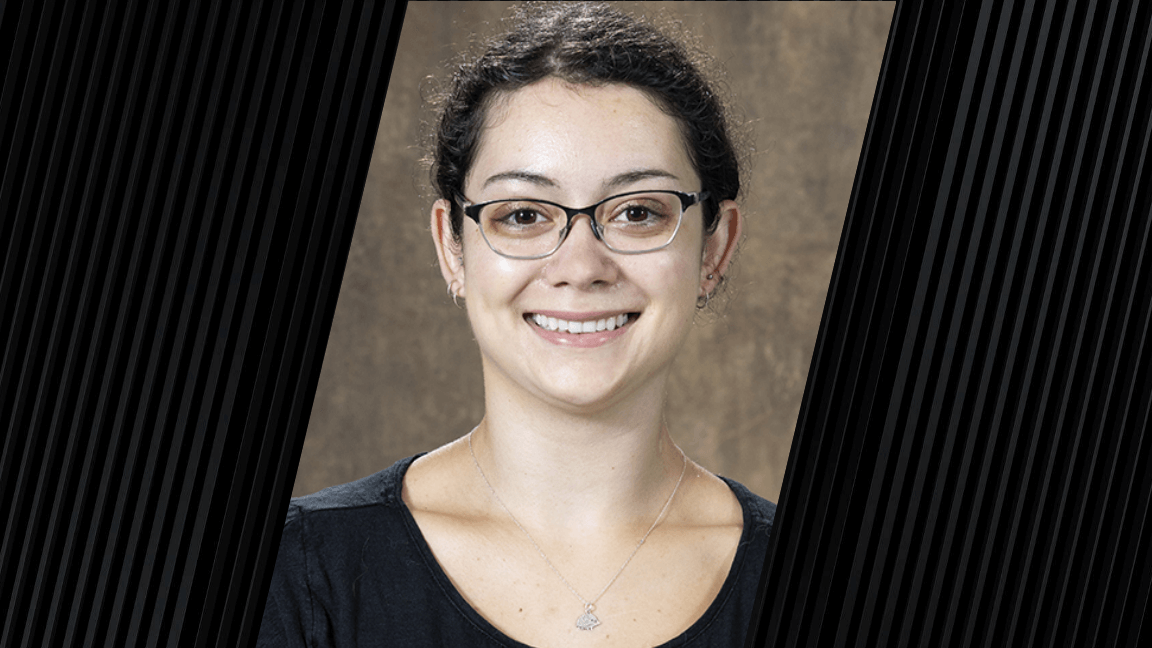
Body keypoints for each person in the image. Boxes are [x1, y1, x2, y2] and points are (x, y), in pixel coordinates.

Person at [258, 3, 775, 646]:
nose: (580, 268)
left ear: (714, 248)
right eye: (524, 215)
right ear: (452, 247)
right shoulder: (297, 571)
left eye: (638, 212)